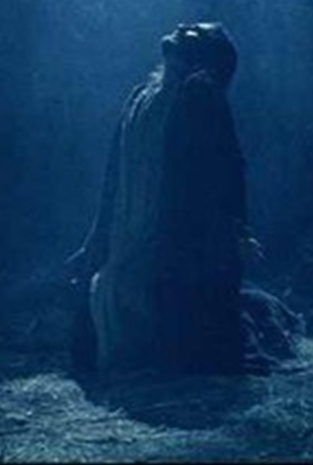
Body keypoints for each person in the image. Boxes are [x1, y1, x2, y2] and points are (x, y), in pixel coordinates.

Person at [67, 22, 263, 378]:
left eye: (194, 32)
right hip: (132, 233)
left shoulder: (199, 95)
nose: (182, 29)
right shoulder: (141, 98)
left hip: (173, 237)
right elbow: (115, 172)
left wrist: (238, 230)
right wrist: (97, 236)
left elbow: (229, 167)